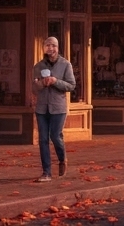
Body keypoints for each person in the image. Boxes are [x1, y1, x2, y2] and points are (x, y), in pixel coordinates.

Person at [31, 36, 75, 182]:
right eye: (48, 45)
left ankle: (62, 159)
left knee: (55, 136)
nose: (51, 48)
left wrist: (56, 81)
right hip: (42, 108)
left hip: (58, 107)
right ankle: (46, 173)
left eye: (53, 46)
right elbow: (34, 89)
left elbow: (71, 85)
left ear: (58, 48)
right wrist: (42, 83)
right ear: (44, 48)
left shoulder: (65, 64)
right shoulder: (38, 66)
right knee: (43, 139)